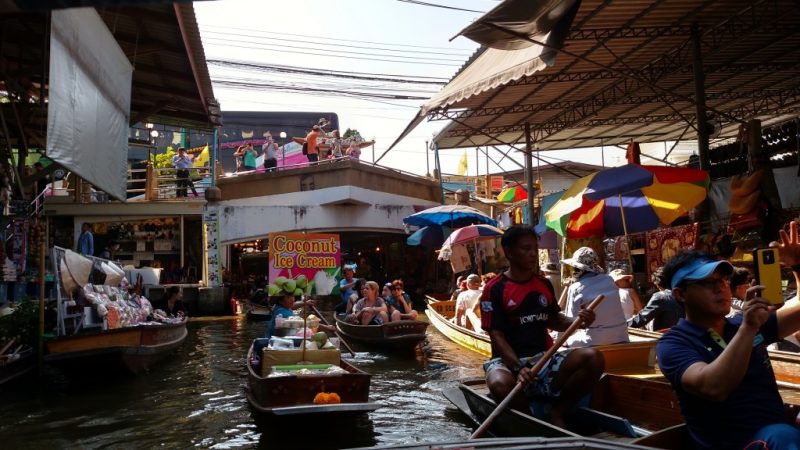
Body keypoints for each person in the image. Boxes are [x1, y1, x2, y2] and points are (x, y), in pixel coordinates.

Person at [656, 222, 800, 450]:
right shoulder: (673, 343)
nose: (721, 288)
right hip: (741, 443)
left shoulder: (741, 323)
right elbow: (714, 387)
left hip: (777, 435)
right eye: (707, 282)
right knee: (781, 435)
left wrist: (798, 266)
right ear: (680, 294)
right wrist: (749, 328)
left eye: (723, 280)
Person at [481, 226, 603, 428]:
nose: (532, 254)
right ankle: (530, 420)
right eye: (526, 249)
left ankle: (556, 412)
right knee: (499, 384)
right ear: (509, 252)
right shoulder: (494, 288)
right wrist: (518, 368)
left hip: (544, 357)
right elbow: (496, 335)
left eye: (535, 249)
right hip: (507, 362)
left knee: (593, 358)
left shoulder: (543, 284)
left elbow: (554, 320)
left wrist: (579, 321)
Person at [561, 247, 629, 347]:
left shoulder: (575, 288)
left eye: (574, 268)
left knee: (565, 341)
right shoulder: (610, 280)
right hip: (621, 336)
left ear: (578, 269)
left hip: (594, 341)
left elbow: (571, 322)